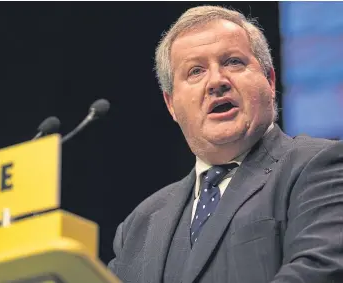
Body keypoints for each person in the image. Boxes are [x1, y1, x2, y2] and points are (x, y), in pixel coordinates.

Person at [108, 5, 343, 283]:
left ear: (269, 80)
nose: (216, 81)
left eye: (233, 62)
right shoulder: (138, 226)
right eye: (195, 71)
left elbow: (318, 271)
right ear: (170, 104)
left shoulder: (319, 166)